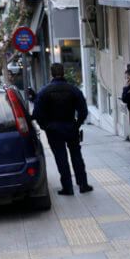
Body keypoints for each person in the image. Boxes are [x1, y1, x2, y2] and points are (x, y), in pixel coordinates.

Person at [33, 63, 91, 195]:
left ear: (51, 74)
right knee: (76, 156)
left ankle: (68, 188)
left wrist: (45, 126)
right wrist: (77, 124)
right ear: (64, 72)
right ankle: (83, 184)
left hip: (53, 130)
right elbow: (83, 111)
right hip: (71, 127)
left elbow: (37, 113)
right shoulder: (73, 89)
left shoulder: (44, 91)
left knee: (61, 158)